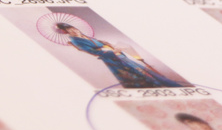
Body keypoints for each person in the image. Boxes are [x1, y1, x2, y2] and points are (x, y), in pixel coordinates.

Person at [53, 23, 183, 88]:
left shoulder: (85, 36)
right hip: (111, 58)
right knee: (133, 73)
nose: (74, 31)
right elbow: (92, 51)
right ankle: (153, 85)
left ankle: (161, 82)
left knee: (139, 68)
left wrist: (105, 43)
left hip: (117, 54)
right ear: (67, 33)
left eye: (74, 29)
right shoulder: (76, 41)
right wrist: (110, 51)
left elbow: (98, 44)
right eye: (70, 31)